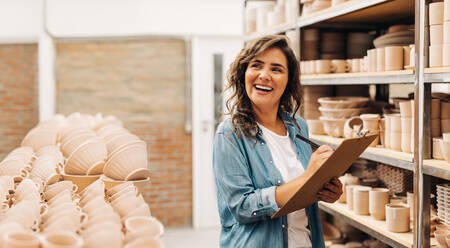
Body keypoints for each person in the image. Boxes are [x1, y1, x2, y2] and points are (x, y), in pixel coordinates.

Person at [212, 35, 343, 248]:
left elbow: (303, 195)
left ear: (288, 81)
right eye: (256, 65)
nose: (264, 75)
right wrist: (308, 177)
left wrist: (325, 189)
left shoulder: (298, 126)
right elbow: (242, 206)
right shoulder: (229, 134)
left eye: (276, 69)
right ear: (244, 73)